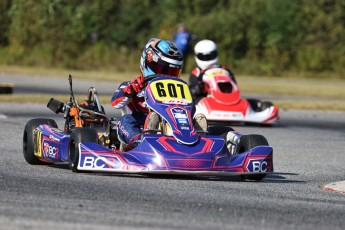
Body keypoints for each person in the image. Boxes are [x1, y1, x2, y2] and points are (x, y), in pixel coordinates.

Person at [111, 38, 185, 149]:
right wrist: (132, 88)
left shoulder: (176, 90)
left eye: (172, 73)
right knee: (126, 120)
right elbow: (115, 103)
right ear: (149, 63)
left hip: (169, 124)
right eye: (164, 70)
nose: (167, 77)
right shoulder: (133, 86)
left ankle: (195, 137)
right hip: (139, 127)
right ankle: (140, 142)